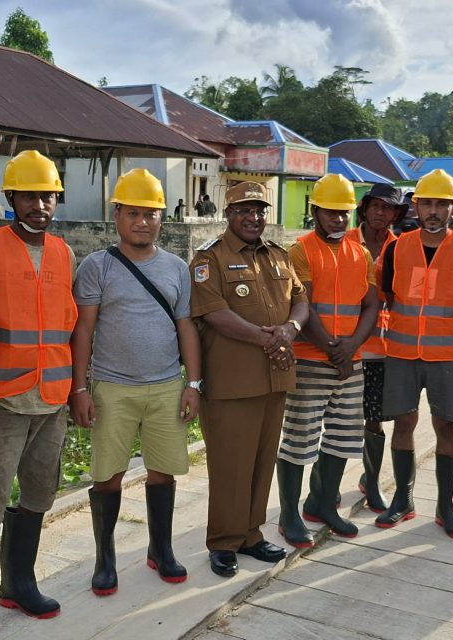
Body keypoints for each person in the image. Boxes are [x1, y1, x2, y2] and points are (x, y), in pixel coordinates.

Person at [0, 150, 72, 636]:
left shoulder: (65, 252)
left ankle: (19, 583)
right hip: (1, 399)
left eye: (47, 196)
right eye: (29, 195)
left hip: (53, 396)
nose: (39, 204)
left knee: (41, 491)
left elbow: (71, 324)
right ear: (11, 198)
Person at [70, 168, 202, 594]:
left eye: (151, 213)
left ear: (163, 217)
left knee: (163, 472)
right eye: (132, 213)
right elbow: (84, 331)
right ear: (117, 216)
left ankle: (160, 549)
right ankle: (105, 558)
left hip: (166, 385)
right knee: (107, 475)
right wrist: (80, 389)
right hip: (112, 388)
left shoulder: (176, 268)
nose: (142, 221)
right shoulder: (97, 266)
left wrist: (193, 384)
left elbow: (186, 328)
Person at [190, 181, 308, 578]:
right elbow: (213, 312)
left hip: (275, 377)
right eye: (244, 210)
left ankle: (251, 535)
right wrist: (265, 338)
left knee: (262, 460)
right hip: (232, 382)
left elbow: (300, 298)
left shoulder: (278, 255)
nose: (253, 217)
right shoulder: (210, 259)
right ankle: (223, 541)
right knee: (229, 465)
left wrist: (290, 328)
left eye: (259, 210)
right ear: (228, 214)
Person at [375, 168, 453, 539]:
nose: (434, 211)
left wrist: (440, 329)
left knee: (445, 428)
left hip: (447, 358)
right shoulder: (397, 247)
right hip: (402, 353)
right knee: (403, 424)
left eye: (442, 204)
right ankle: (402, 501)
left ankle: (446, 507)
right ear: (415, 207)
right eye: (427, 204)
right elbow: (388, 293)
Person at [276, 174, 380, 547]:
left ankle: (322, 503)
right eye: (331, 212)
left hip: (349, 362)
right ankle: (289, 514)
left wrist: (351, 347)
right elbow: (300, 304)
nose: (338, 219)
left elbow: (371, 304)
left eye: (344, 213)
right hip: (310, 360)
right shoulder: (300, 251)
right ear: (315, 211)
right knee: (299, 440)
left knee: (342, 436)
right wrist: (334, 351)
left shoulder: (361, 253)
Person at [347, 183, 406, 513]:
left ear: (396, 214)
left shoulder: (403, 248)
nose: (381, 213)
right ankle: (322, 490)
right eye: (376, 206)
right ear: (365, 208)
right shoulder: (344, 240)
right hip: (345, 344)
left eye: (389, 208)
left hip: (383, 347)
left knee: (375, 419)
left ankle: (370, 482)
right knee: (338, 419)